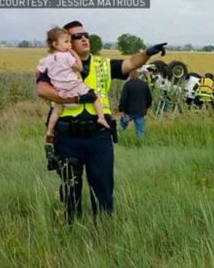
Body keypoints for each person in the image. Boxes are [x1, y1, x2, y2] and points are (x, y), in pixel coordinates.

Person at [36, 20, 167, 222]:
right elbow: (42, 90)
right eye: (77, 36)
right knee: (70, 188)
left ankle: (104, 232)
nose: (84, 39)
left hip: (99, 135)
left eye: (86, 34)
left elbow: (130, 63)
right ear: (66, 42)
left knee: (103, 187)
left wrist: (147, 53)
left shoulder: (102, 65)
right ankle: (70, 231)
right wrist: (76, 99)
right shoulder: (55, 63)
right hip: (68, 136)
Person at [37, 27, 110, 143]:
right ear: (55, 44)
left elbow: (39, 71)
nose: (69, 45)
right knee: (94, 97)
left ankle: (50, 130)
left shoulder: (47, 59)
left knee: (56, 111)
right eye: (66, 42)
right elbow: (79, 68)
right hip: (74, 88)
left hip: (61, 93)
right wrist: (75, 55)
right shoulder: (66, 56)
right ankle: (101, 118)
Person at [118, 70, 152, 138]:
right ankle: (140, 144)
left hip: (128, 111)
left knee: (122, 127)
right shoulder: (144, 84)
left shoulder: (127, 84)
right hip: (140, 111)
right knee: (140, 130)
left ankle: (117, 140)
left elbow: (123, 99)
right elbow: (149, 98)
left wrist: (121, 109)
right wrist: (146, 107)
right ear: (138, 75)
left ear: (130, 75)